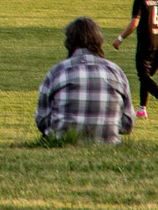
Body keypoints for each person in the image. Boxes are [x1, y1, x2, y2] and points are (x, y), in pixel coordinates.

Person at [35, 16, 133, 144]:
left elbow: (42, 120)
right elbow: (127, 123)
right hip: (108, 142)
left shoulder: (57, 72)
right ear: (99, 41)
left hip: (63, 142)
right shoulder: (116, 72)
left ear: (69, 42)